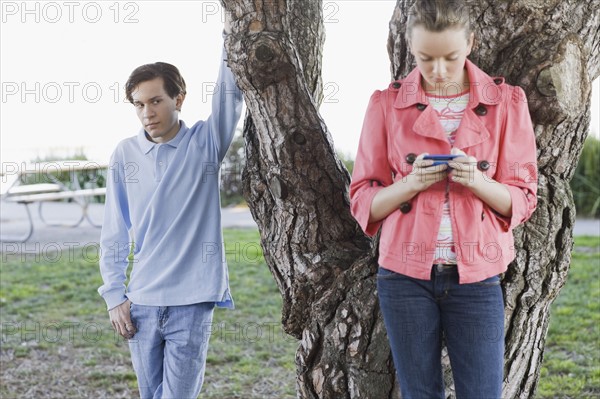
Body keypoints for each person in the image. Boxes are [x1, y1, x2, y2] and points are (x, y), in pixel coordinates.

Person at [349, 1, 538, 398]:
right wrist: (411, 184)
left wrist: (478, 181)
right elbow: (363, 199)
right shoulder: (386, 104)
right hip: (403, 277)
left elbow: (522, 199)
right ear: (410, 49)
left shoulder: (507, 103)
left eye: (450, 58)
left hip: (477, 275)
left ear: (470, 43)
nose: (437, 71)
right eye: (425, 58)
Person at [97, 20, 243, 398]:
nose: (147, 112)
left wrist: (234, 26)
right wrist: (115, 296)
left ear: (178, 99)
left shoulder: (205, 143)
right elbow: (113, 230)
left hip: (191, 304)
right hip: (141, 302)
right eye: (139, 104)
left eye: (156, 100)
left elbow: (229, 94)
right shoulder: (124, 155)